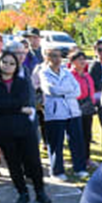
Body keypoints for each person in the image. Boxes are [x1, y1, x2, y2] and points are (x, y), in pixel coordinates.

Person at [0, 51, 52, 203]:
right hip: (3, 129)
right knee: (13, 163)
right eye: (4, 62)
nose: (8, 66)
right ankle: (22, 192)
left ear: (16, 66)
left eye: (12, 63)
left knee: (33, 160)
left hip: (24, 128)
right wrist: (18, 108)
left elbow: (22, 101)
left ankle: (40, 191)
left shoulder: (21, 82)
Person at [39, 48, 88, 181]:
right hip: (55, 113)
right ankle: (57, 171)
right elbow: (50, 90)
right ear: (48, 58)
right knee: (56, 143)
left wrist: (63, 92)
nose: (57, 59)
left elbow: (77, 91)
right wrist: (67, 92)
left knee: (76, 141)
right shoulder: (44, 73)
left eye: (59, 56)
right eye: (54, 56)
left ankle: (79, 168)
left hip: (72, 111)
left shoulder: (67, 72)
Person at [68, 51, 98, 167]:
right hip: (76, 105)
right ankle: (77, 158)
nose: (82, 62)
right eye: (79, 59)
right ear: (73, 61)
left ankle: (86, 158)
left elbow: (91, 89)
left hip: (88, 107)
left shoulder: (87, 75)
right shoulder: (70, 75)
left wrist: (92, 102)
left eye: (84, 59)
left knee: (87, 134)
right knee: (76, 134)